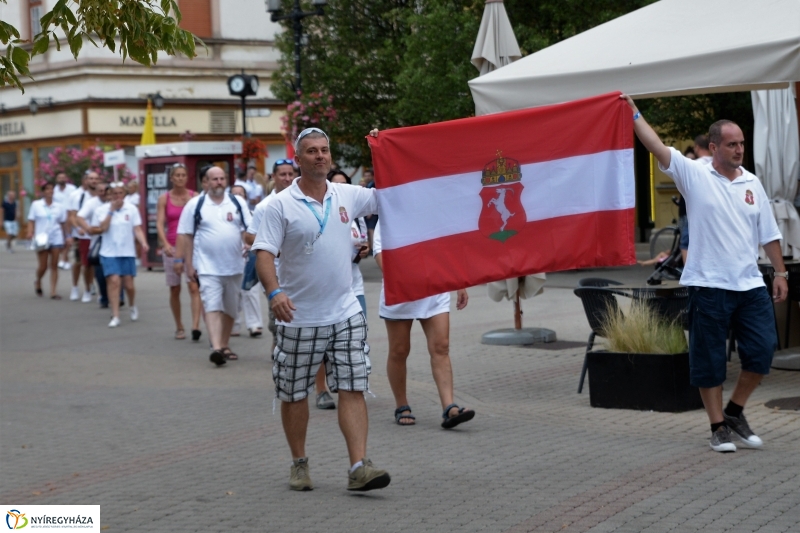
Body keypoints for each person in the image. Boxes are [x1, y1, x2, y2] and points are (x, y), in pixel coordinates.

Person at [622, 94, 788, 453]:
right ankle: (717, 427)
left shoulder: (752, 183)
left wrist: (780, 272)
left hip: (749, 284)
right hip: (708, 284)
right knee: (709, 360)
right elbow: (654, 145)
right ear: (713, 147)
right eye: (732, 144)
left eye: (742, 143)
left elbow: (769, 233)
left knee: (762, 351)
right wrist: (632, 111)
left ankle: (734, 412)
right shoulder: (693, 173)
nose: (739, 149)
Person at [253, 127, 391, 492]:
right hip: (298, 315)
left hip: (345, 312)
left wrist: (387, 148)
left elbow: (389, 195)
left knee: (352, 386)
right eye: (311, 151)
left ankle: (359, 466)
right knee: (294, 392)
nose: (320, 156)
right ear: (297, 159)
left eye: (324, 150)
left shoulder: (347, 194)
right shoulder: (278, 205)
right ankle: (299, 462)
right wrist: (274, 292)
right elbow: (263, 254)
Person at [373, 218, 474, 428]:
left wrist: (459, 281)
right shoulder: (391, 213)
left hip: (435, 287)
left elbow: (447, 246)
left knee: (441, 346)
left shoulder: (431, 206)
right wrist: (402, 280)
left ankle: (449, 407)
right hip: (401, 289)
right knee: (399, 350)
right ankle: (402, 405)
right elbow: (379, 252)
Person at [176, 166, 251, 365]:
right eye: (214, 179)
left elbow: (246, 229)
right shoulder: (196, 204)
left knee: (231, 309)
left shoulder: (237, 202)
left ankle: (224, 344)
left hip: (235, 265)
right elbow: (187, 236)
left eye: (221, 178)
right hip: (207, 267)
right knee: (212, 305)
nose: (219, 182)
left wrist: (247, 243)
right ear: (206, 182)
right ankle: (216, 347)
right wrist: (188, 264)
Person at [312, 169, 370, 410]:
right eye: (335, 184)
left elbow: (361, 244)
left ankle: (350, 385)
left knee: (357, 338)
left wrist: (362, 252)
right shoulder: (317, 212)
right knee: (321, 343)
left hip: (352, 285)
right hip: (322, 287)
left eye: (344, 185)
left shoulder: (356, 216)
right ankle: (321, 389)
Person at [245, 159, 297, 352]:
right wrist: (273, 245)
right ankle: (279, 355)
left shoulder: (302, 199)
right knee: (279, 321)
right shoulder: (264, 206)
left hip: (301, 273)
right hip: (275, 275)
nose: (287, 178)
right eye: (283, 174)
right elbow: (249, 235)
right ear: (273, 177)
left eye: (291, 174)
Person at [89, 182, 149, 327]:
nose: (117, 196)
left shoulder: (132, 209)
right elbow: (102, 228)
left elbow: (137, 229)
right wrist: (111, 211)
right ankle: (115, 315)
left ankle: (132, 305)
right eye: (114, 193)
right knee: (114, 282)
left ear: (124, 194)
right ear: (109, 195)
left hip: (127, 252)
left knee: (128, 285)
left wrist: (143, 242)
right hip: (109, 252)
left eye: (120, 193)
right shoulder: (102, 210)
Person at [156, 164, 202, 340]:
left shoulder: (194, 196)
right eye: (177, 175)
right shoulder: (164, 198)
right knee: (175, 288)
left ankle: (195, 326)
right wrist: (165, 243)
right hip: (172, 247)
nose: (181, 178)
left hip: (191, 246)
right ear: (172, 178)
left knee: (193, 286)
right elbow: (160, 223)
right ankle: (179, 325)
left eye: (184, 175)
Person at [229, 184, 263, 339]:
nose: (237, 196)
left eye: (240, 194)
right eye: (234, 193)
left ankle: (254, 324)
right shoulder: (225, 213)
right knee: (233, 292)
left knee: (251, 290)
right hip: (231, 257)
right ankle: (234, 324)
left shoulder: (252, 214)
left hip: (250, 256)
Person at [27, 183, 68, 299]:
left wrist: (67, 237)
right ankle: (38, 280)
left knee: (54, 265)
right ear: (43, 192)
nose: (50, 191)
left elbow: (63, 223)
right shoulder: (36, 204)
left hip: (56, 237)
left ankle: (53, 291)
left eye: (51, 189)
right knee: (43, 266)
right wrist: (30, 232)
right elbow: (31, 220)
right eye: (47, 189)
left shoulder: (59, 206)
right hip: (41, 238)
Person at [76, 181, 112, 308]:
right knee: (99, 272)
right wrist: (87, 228)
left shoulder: (115, 204)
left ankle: (117, 296)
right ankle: (102, 295)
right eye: (100, 191)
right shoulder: (92, 204)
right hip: (97, 242)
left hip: (114, 243)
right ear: (96, 192)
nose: (103, 194)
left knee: (115, 273)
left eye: (105, 191)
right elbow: (79, 217)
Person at [67, 171, 98, 302]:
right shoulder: (77, 196)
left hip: (97, 235)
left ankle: (89, 287)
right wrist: (78, 228)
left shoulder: (102, 194)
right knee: (79, 263)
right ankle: (75, 287)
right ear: (84, 180)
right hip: (81, 236)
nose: (93, 181)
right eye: (90, 179)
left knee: (92, 264)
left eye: (95, 179)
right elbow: (72, 216)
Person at [52, 171, 76, 269]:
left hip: (70, 215)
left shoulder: (72, 189)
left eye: (63, 177)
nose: (61, 179)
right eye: (59, 177)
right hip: (59, 217)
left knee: (69, 238)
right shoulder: (54, 190)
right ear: (57, 179)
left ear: (66, 178)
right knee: (63, 239)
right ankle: (65, 260)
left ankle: (63, 259)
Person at [362, 169, 378, 252]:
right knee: (367, 229)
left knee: (371, 229)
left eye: (369, 176)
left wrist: (370, 212)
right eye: (365, 176)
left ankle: (373, 247)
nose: (367, 177)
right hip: (367, 211)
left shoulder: (374, 184)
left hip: (372, 212)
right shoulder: (366, 185)